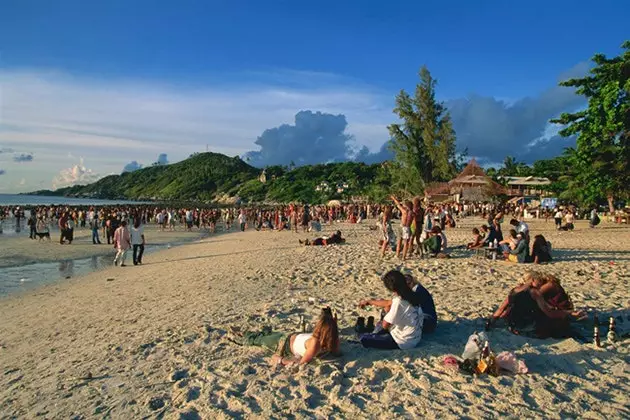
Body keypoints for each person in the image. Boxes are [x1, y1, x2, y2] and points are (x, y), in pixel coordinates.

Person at [486, 271, 585, 338]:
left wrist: (492, 321)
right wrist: (569, 313)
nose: (540, 284)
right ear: (533, 280)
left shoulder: (514, 290)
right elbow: (549, 313)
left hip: (513, 325)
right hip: (527, 326)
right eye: (539, 281)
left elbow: (501, 308)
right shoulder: (535, 293)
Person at [230, 307, 340, 366]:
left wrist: (280, 360)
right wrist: (334, 325)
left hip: (283, 344)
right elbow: (334, 345)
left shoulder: (315, 344)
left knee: (257, 340)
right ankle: (247, 333)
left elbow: (301, 363)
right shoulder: (331, 340)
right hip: (288, 337)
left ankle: (238, 337)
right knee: (266, 335)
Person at [357, 270, 424, 349]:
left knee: (363, 338)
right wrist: (370, 302)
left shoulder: (399, 302)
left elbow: (385, 325)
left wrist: (383, 319)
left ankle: (370, 332)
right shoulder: (410, 294)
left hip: (403, 341)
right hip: (415, 337)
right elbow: (388, 302)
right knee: (387, 307)